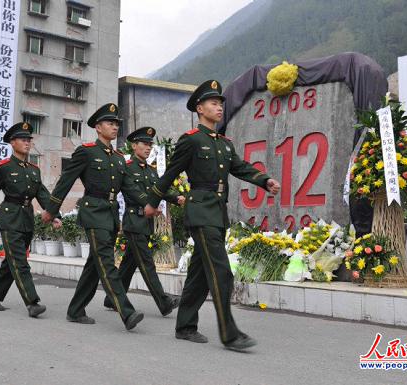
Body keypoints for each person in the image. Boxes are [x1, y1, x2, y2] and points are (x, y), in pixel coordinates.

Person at [144, 80, 281, 351]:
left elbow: (240, 168)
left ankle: (185, 326)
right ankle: (230, 333)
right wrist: (152, 202)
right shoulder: (191, 140)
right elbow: (170, 174)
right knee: (221, 271)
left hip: (217, 212)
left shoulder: (224, 143)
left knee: (200, 274)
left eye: (220, 103)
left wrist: (265, 181)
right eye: (213, 103)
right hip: (200, 210)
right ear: (199, 108)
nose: (219, 107)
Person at [42, 103, 153, 331]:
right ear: (98, 127)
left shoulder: (119, 158)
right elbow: (66, 180)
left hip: (110, 215)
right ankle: (126, 311)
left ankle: (75, 310)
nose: (114, 127)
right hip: (93, 212)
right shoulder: (87, 151)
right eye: (110, 123)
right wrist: (51, 209)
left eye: (116, 124)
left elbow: (130, 187)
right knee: (106, 263)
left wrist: (150, 201)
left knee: (95, 264)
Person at [0, 122, 60, 318]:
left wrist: (54, 215)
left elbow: (43, 194)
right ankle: (32, 302)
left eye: (29, 139)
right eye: (23, 139)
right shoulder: (3, 167)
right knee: (20, 262)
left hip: (27, 218)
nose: (28, 143)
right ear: (12, 143)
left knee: (11, 262)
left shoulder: (33, 169)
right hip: (10, 218)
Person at [103, 126, 183, 316]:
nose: (148, 148)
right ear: (134, 146)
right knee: (147, 263)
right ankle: (164, 302)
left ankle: (111, 298)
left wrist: (177, 197)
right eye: (144, 144)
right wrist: (149, 204)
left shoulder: (150, 170)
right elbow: (133, 191)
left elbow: (159, 189)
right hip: (134, 221)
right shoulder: (127, 168)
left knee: (129, 264)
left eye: (150, 144)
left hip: (145, 222)